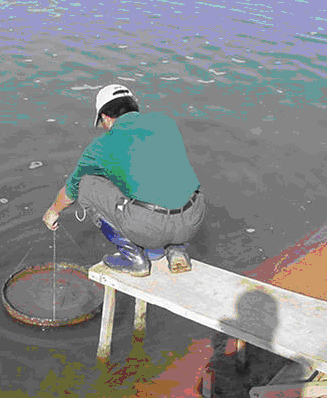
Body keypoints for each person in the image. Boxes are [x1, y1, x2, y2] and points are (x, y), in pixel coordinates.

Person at [42, 84, 206, 277]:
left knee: (86, 185)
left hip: (149, 226)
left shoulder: (100, 147)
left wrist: (52, 211)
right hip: (194, 218)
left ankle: (134, 258)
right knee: (168, 183)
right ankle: (176, 249)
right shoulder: (165, 122)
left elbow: (71, 190)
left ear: (105, 118)